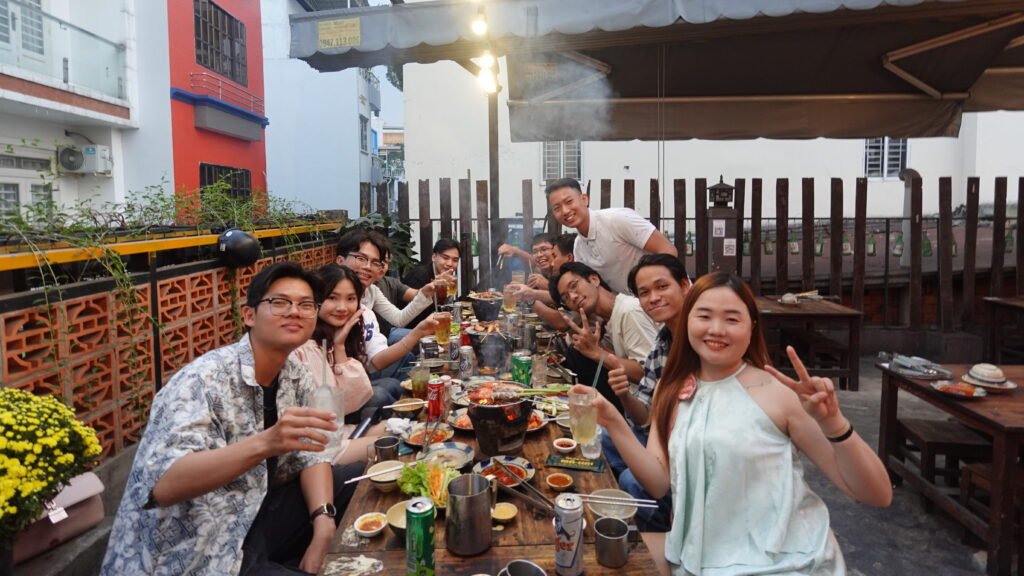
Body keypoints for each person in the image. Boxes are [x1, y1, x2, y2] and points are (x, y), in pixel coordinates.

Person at [586, 271, 892, 575]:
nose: (716, 329)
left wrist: (834, 424)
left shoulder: (778, 393)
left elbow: (876, 494)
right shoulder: (672, 386)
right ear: (688, 321)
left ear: (751, 328)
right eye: (704, 316)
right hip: (698, 556)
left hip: (784, 563)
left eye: (732, 319)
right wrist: (613, 421)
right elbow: (658, 482)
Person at [102, 262, 362, 575]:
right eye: (279, 302)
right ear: (250, 315)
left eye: (306, 305)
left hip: (256, 511)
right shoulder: (203, 380)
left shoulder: (295, 375)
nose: (295, 311)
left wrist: (323, 525)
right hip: (198, 546)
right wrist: (266, 443)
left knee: (361, 476)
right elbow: (163, 485)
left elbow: (313, 452)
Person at [603, 254, 690, 532]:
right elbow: (644, 416)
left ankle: (663, 527)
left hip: (687, 452)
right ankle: (636, 503)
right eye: (644, 292)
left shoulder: (701, 338)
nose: (653, 298)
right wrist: (623, 396)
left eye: (662, 287)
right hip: (660, 436)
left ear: (685, 285)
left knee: (631, 480)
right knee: (603, 438)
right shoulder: (662, 342)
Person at [291, 265, 388, 463]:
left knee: (399, 427)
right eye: (332, 298)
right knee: (394, 441)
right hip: (319, 448)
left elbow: (354, 401)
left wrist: (340, 347)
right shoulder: (305, 346)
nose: (342, 307)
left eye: (350, 299)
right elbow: (335, 411)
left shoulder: (332, 337)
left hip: (338, 430)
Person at [549, 262, 658, 414]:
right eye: (566, 297)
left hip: (649, 411)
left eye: (574, 286)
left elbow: (649, 373)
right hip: (634, 402)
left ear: (594, 279)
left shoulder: (628, 311)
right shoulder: (607, 318)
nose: (572, 297)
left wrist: (597, 353)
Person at [336, 231, 439, 385]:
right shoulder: (325, 293)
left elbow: (398, 319)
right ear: (339, 260)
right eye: (361, 258)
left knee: (408, 359)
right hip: (336, 373)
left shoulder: (371, 292)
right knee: (387, 389)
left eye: (376, 262)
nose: (367, 267)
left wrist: (424, 294)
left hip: (365, 359)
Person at [546, 178, 676, 294]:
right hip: (632, 313)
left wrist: (651, 291)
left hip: (665, 300)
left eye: (569, 201)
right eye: (557, 208)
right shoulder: (579, 248)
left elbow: (668, 250)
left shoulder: (618, 219)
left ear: (584, 199)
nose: (565, 211)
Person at [404, 237, 460, 326]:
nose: (450, 263)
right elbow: (412, 313)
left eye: (455, 260)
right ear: (434, 257)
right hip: (411, 330)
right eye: (445, 258)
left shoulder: (448, 278)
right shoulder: (420, 276)